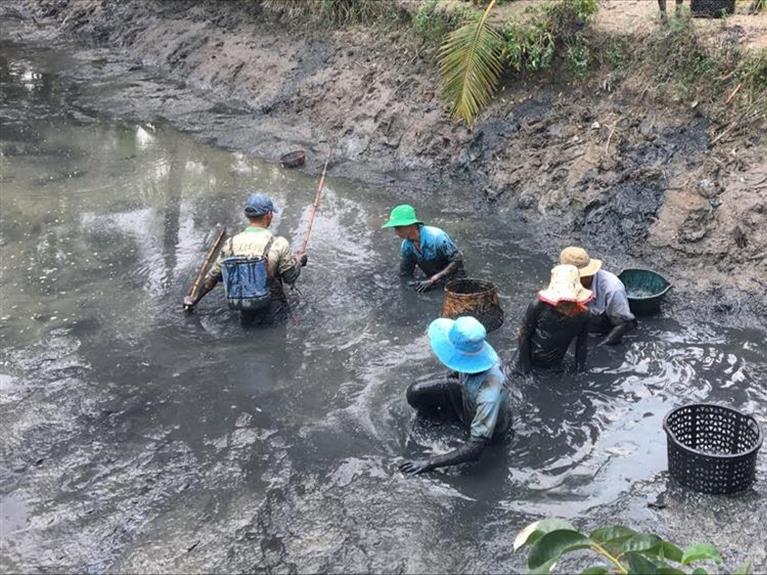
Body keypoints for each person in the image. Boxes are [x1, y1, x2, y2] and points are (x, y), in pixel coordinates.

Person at [399, 316, 510, 475]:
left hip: (487, 432)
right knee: (416, 392)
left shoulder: (490, 394)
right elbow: (457, 371)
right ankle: (440, 418)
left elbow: (476, 447)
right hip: (467, 397)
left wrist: (429, 463)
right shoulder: (474, 349)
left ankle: (449, 421)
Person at [183, 193, 307, 326]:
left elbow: (212, 278)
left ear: (248, 216)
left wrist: (194, 299)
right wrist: (299, 261)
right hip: (272, 309)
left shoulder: (230, 244)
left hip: (244, 307)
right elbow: (290, 278)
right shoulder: (278, 243)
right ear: (268, 215)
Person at [514, 264, 592, 375]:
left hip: (556, 364)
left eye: (568, 304)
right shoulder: (538, 306)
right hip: (528, 359)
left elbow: (582, 344)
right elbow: (523, 335)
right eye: (562, 303)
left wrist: (580, 370)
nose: (566, 308)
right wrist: (525, 369)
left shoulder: (584, 314)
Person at [559, 246, 636, 346]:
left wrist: (601, 346)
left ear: (586, 275)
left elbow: (624, 324)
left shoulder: (612, 289)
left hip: (604, 328)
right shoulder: (564, 281)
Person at [381, 204, 465, 293]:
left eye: (398, 228)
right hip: (431, 280)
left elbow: (457, 261)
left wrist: (434, 279)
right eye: (395, 228)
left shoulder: (437, 237)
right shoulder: (406, 246)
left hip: (453, 279)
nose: (396, 232)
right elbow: (405, 273)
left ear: (411, 225)